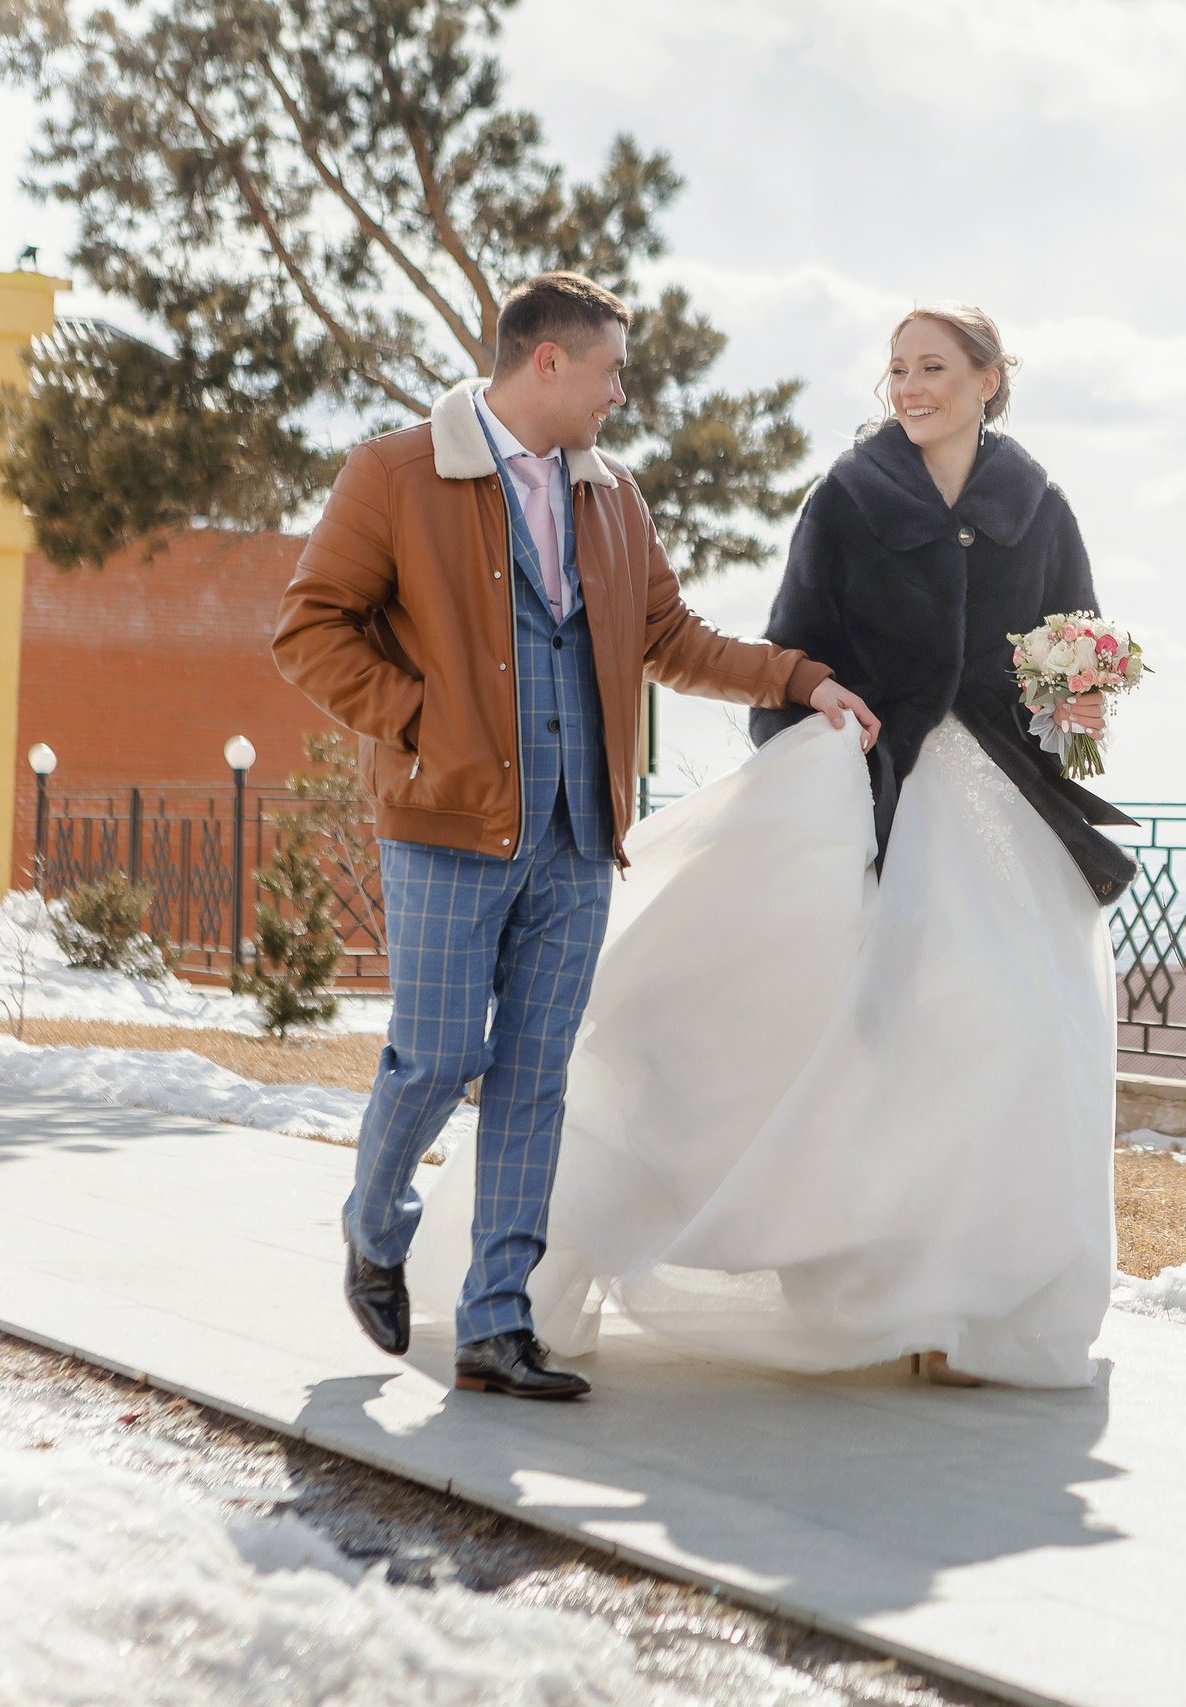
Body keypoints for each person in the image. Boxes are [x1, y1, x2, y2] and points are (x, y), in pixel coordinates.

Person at [408, 303, 1132, 1390]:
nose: (910, 385)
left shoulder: (1039, 503)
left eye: (934, 366)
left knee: (1011, 1036)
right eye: (896, 367)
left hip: (995, 803)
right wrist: (817, 751)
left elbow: (1076, 647)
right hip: (871, 776)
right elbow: (793, 644)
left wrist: (1075, 707)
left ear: (991, 379)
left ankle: (967, 1311)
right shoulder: (848, 499)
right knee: (823, 1030)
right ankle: (794, 1275)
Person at [273, 271, 878, 1401]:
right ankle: (374, 1221)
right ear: (546, 362)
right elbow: (308, 629)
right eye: (610, 371)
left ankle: (501, 1325)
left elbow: (669, 638)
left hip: (577, 835)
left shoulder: (614, 498)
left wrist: (800, 680)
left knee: (536, 1078)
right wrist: (418, 718)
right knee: (442, 1054)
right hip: (448, 823)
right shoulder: (398, 472)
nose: (621, 393)